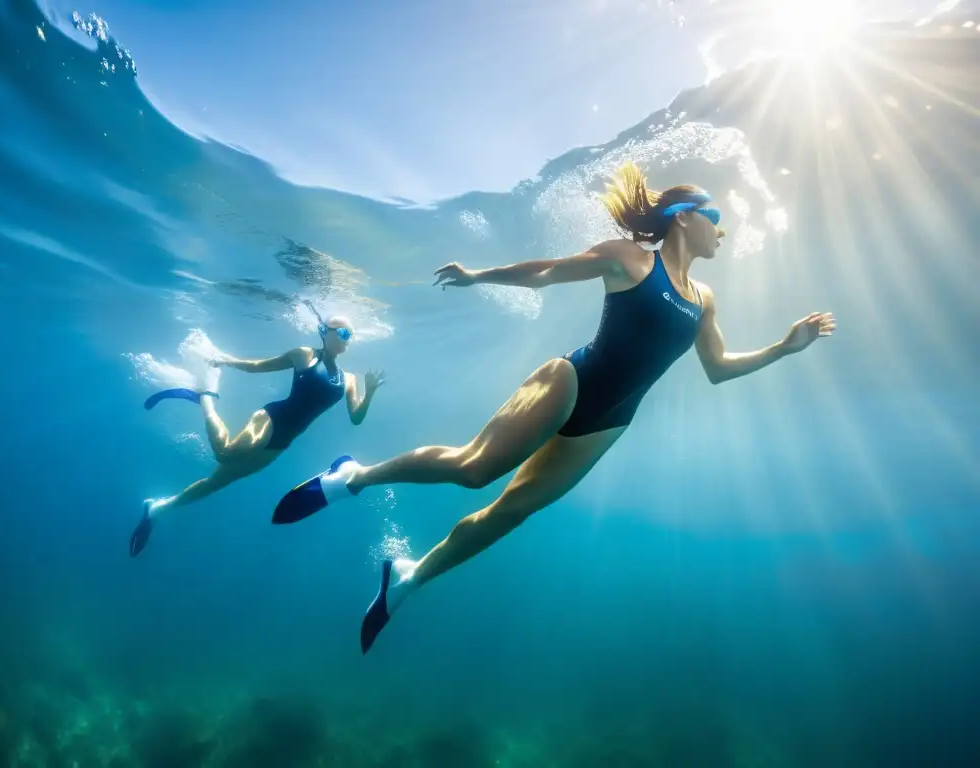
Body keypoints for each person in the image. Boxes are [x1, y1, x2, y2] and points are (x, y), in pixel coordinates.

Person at [274, 161, 836, 653]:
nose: (725, 232)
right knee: (475, 470)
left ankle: (409, 579)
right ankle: (354, 477)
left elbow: (719, 369)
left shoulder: (703, 298)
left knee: (511, 511)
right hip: (572, 380)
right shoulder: (631, 260)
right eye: (718, 219)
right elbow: (547, 270)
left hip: (611, 419)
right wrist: (477, 275)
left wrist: (785, 348)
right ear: (687, 215)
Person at [129, 305, 385, 557]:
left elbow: (356, 418)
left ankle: (156, 510)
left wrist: (370, 391)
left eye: (350, 336)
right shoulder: (304, 355)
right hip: (273, 418)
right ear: (325, 331)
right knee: (225, 453)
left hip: (285, 438)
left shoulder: (349, 380)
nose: (347, 340)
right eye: (343, 333)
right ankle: (206, 396)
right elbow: (258, 365)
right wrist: (227, 360)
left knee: (218, 481)